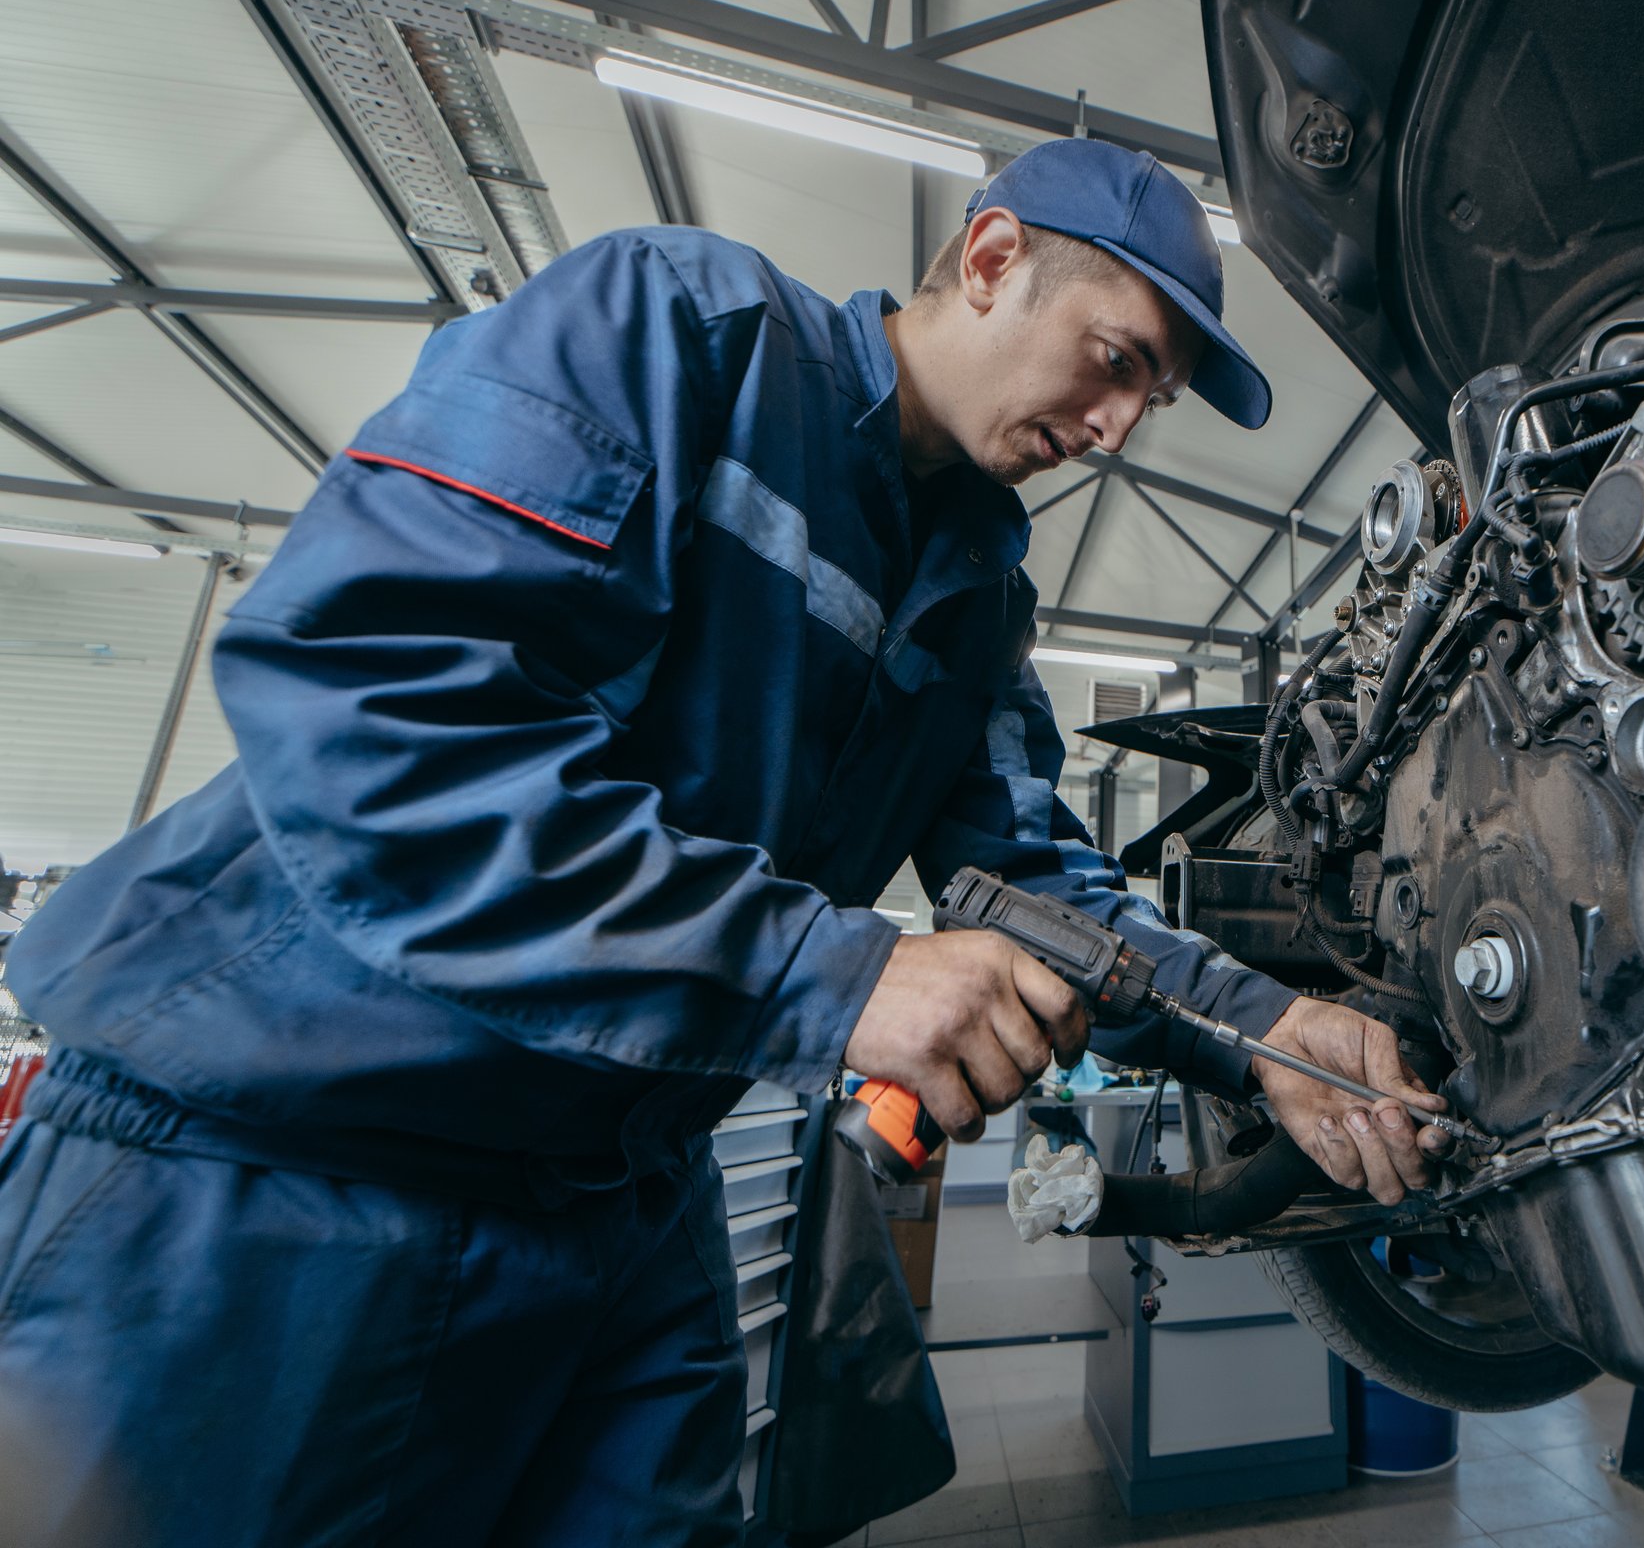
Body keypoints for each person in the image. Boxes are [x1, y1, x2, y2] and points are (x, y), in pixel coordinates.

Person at [0, 138, 1447, 1546]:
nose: (1123, 427)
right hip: (281, 1159)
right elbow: (386, 707)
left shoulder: (980, 595)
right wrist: (833, 975)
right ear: (995, 258)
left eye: (1160, 398)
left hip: (615, 1194)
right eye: (1119, 358)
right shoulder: (682, 331)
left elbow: (1027, 884)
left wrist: (1261, 1031)